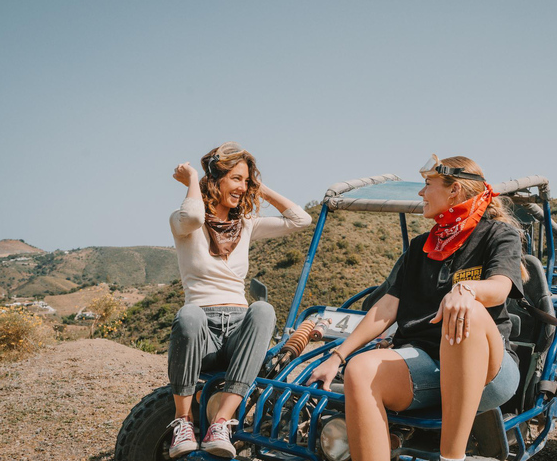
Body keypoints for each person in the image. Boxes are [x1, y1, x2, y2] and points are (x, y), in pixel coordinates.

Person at [308, 155, 526, 461]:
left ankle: (452, 457)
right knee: (359, 370)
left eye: (427, 185)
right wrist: (337, 356)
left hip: (487, 371)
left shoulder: (497, 235)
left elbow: (500, 288)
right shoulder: (421, 246)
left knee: (467, 310)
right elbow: (386, 308)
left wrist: (465, 290)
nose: (421, 194)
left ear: (455, 191)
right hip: (428, 365)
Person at [167, 142, 312, 459]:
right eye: (235, 178)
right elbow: (193, 215)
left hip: (237, 332)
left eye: (246, 180)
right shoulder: (183, 222)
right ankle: (183, 422)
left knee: (262, 310)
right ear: (215, 179)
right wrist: (193, 178)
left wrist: (259, 187)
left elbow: (300, 220)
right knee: (188, 315)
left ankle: (221, 422)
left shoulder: (246, 225)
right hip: (201, 331)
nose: (242, 187)